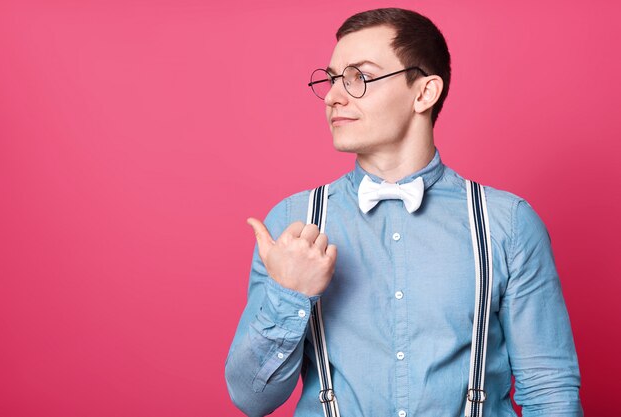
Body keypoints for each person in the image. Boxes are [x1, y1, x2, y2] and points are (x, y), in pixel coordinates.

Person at [225, 7, 583, 417]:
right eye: (332, 79)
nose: (335, 96)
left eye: (360, 77)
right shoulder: (293, 223)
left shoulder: (509, 224)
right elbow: (251, 399)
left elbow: (550, 393)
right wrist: (290, 294)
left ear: (424, 93)